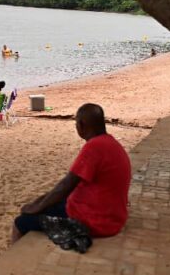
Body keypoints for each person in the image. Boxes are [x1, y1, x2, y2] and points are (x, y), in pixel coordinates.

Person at [11, 103, 131, 244]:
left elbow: (66, 185)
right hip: (112, 217)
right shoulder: (111, 143)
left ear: (81, 124)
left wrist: (36, 207)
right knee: (44, 204)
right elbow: (68, 186)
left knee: (20, 222)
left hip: (95, 221)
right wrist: (38, 202)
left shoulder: (94, 147)